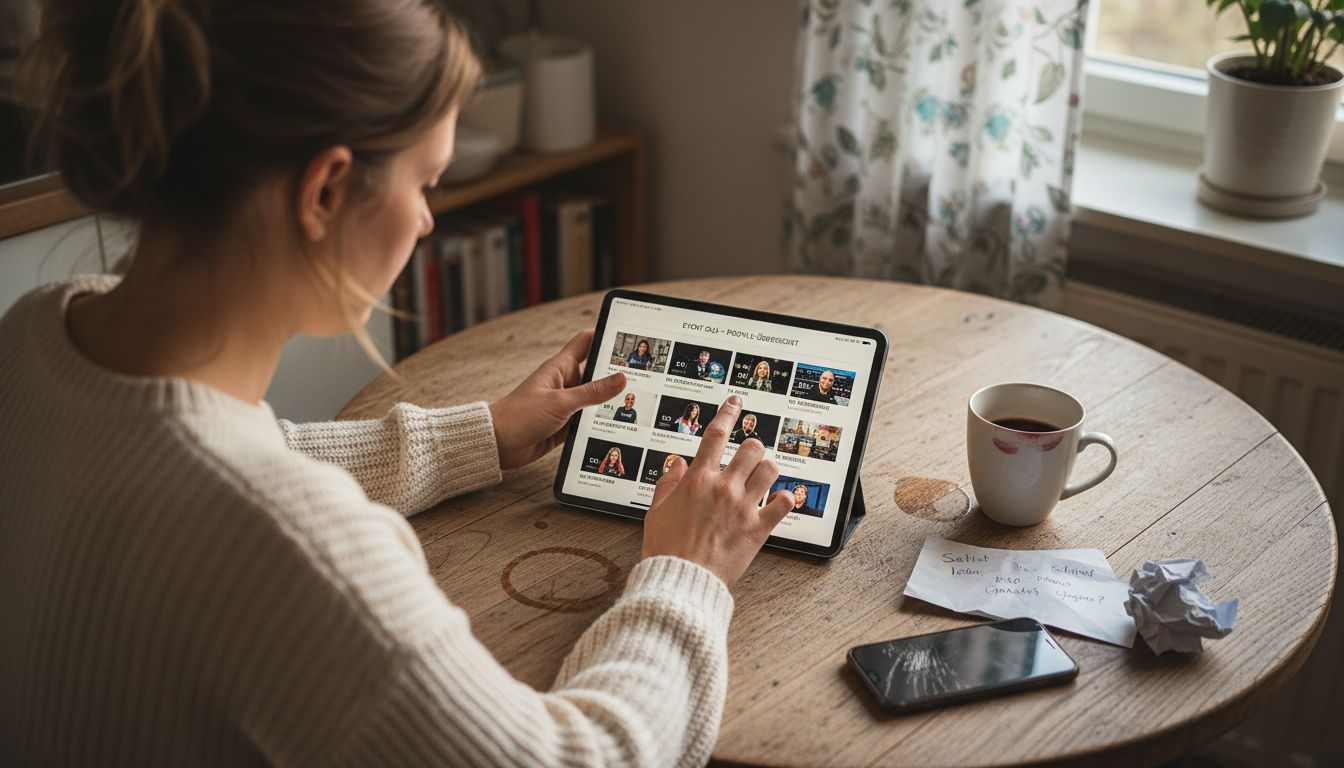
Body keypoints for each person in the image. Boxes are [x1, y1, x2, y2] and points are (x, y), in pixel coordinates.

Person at [0, 2, 799, 764]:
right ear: (325, 191)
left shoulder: (37, 335)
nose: (425, 222)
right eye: (425, 183)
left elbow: (233, 458)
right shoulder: (293, 550)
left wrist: (480, 433)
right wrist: (687, 573)